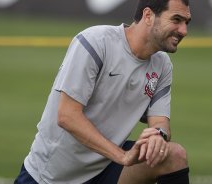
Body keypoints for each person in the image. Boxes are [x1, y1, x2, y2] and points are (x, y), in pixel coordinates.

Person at [14, 0, 192, 183]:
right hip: (50, 176)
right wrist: (122, 156)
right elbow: (67, 116)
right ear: (148, 15)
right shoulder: (95, 42)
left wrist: (158, 136)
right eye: (176, 20)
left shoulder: (162, 65)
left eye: (187, 22)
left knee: (174, 156)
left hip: (107, 168)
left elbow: (160, 121)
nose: (183, 31)